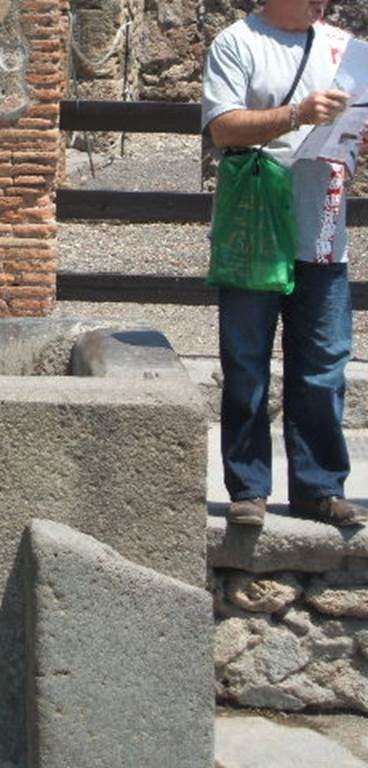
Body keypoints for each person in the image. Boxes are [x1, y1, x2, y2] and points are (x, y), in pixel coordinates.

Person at [202, 0, 367, 527]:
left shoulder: (348, 51)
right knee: (247, 366)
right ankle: (248, 489)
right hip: (255, 230)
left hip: (323, 229)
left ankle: (319, 488)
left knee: (323, 366)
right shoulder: (237, 42)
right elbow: (223, 128)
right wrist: (297, 115)